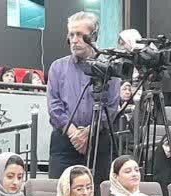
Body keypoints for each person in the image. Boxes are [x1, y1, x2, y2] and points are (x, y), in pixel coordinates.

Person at [46, 11, 119, 184]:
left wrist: (89, 132)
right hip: (64, 142)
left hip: (98, 142)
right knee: (60, 192)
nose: (74, 40)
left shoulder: (110, 68)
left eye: (79, 34)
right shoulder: (57, 67)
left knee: (98, 193)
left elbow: (111, 107)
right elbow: (54, 106)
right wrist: (75, 134)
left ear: (93, 37)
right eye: (71, 35)